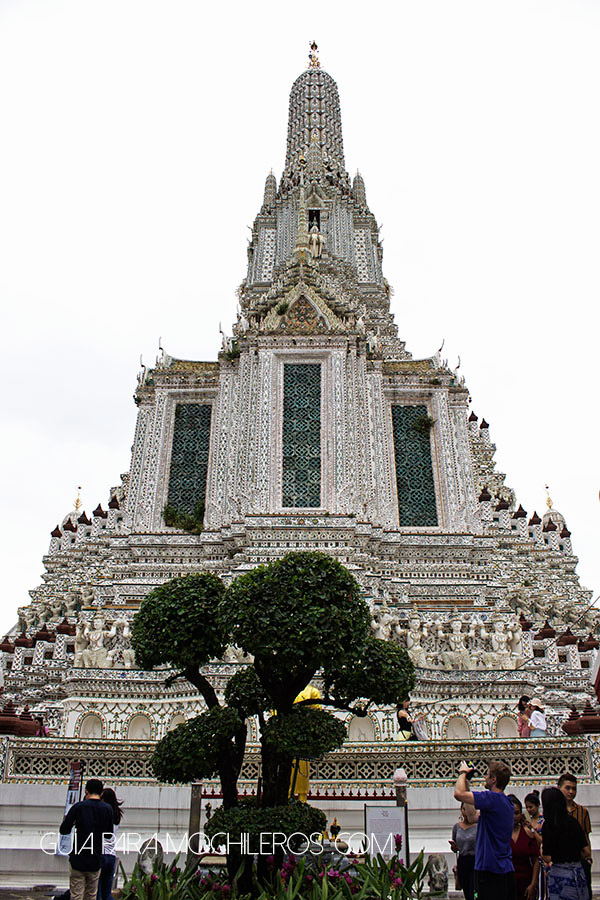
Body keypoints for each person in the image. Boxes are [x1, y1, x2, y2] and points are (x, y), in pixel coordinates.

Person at [454, 760, 516, 900]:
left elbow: (458, 794)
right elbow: (471, 816)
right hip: (503, 870)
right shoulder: (506, 803)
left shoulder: (492, 799)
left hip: (489, 870)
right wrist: (467, 782)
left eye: (487, 775)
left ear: (494, 779)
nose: (485, 778)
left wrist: (462, 773)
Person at [59, 778, 113, 900]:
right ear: (101, 793)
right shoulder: (107, 809)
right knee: (91, 895)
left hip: (78, 857)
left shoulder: (78, 807)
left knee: (76, 895)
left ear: (86, 791)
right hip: (96, 858)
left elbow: (64, 830)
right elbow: (109, 834)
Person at [541, 786, 590, 900]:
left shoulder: (548, 826)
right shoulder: (574, 822)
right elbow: (586, 851)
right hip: (578, 874)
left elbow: (547, 857)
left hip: (560, 876)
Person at [558, 773, 592, 899]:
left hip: (581, 861)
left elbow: (586, 836)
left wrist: (588, 860)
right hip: (561, 863)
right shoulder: (554, 813)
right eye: (567, 788)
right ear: (559, 788)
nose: (571, 792)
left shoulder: (582, 812)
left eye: (574, 789)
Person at [508, 795, 539, 900]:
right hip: (506, 883)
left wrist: (533, 884)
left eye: (516, 813)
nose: (514, 817)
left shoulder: (527, 833)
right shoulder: (499, 835)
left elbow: (535, 861)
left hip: (526, 882)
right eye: (510, 813)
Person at [97, 788, 123, 900]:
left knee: (97, 893)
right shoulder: (117, 816)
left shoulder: (103, 814)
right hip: (111, 855)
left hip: (100, 854)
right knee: (107, 894)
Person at [450, 801, 478, 900]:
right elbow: (455, 844)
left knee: (474, 891)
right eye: (463, 809)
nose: (465, 812)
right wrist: (454, 847)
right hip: (462, 861)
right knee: (466, 889)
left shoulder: (478, 827)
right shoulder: (457, 827)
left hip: (475, 861)